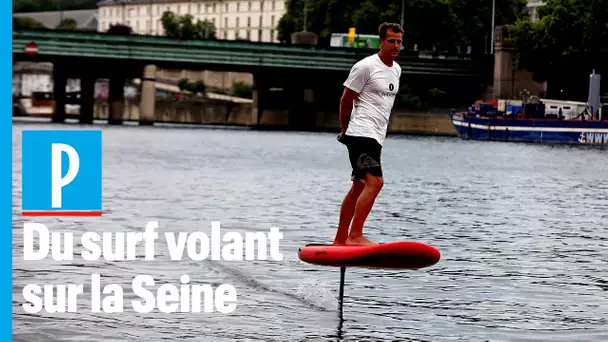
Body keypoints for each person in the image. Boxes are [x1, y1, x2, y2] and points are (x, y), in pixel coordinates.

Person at [333, 22, 404, 246]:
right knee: (376, 182)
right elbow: (346, 100)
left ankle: (339, 240)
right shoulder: (365, 67)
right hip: (360, 132)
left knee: (359, 185)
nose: (395, 45)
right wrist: (345, 130)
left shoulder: (397, 70)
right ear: (381, 41)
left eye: (399, 41)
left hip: (375, 137)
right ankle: (355, 236)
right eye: (391, 41)